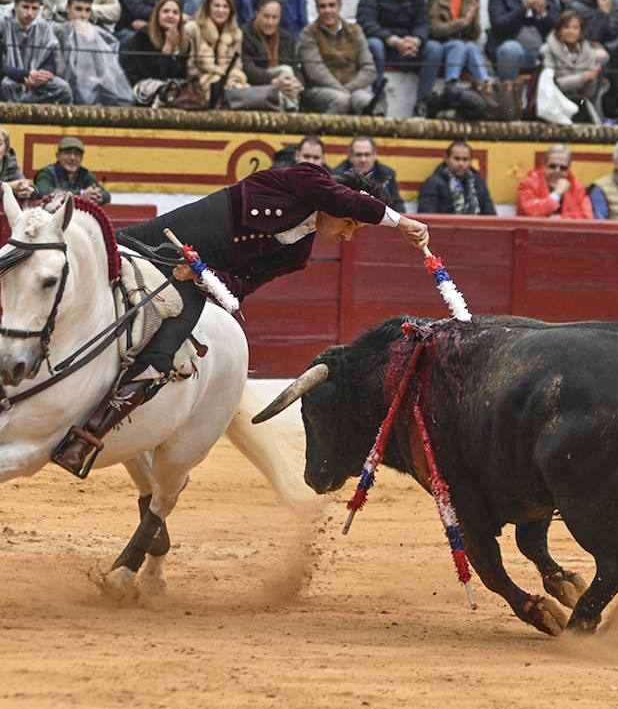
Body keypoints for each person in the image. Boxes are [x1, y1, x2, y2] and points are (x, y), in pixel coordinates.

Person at [51, 162, 430, 473]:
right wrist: (400, 222)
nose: (349, 235)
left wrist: (199, 275)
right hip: (150, 241)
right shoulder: (304, 180)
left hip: (188, 281)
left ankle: (87, 436)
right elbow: (338, 196)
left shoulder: (298, 254)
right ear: (345, 205)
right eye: (351, 223)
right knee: (72, 274)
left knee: (160, 357)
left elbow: (243, 285)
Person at [358, 0, 445, 117]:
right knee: (373, 44)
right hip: (384, 46)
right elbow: (365, 21)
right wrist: (393, 40)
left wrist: (416, 40)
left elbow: (423, 24)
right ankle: (379, 99)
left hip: (408, 49)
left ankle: (423, 103)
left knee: (434, 48)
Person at [0, 0, 73, 103]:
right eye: (25, 7)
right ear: (15, 5)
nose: (29, 13)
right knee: (1, 86)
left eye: (34, 8)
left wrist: (42, 76)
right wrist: (24, 75)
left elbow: (50, 58)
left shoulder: (43, 27)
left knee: (63, 89)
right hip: (3, 78)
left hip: (33, 79)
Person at [298, 0, 378, 115]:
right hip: (319, 90)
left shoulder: (355, 31)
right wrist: (343, 91)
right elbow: (316, 72)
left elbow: (369, 69)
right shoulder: (309, 33)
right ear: (317, 9)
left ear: (339, 6)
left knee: (367, 101)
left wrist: (347, 89)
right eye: (322, 6)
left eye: (331, 5)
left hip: (353, 88)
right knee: (340, 101)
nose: (327, 10)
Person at [487, 0, 560, 82]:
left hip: (541, 54)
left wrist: (543, 13)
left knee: (555, 50)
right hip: (510, 55)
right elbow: (499, 27)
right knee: (511, 49)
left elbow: (557, 29)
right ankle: (507, 95)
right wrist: (523, 8)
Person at [55, 0, 134, 105]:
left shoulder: (96, 33)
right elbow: (62, 69)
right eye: (78, 9)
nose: (83, 15)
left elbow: (107, 66)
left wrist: (91, 40)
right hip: (72, 84)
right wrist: (87, 78)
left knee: (124, 99)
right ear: (68, 9)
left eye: (87, 10)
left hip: (96, 82)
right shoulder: (59, 32)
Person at [428, 0, 492, 86]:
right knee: (459, 46)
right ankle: (451, 86)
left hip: (464, 43)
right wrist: (463, 22)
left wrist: (473, 22)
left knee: (471, 47)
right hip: (441, 44)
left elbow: (475, 35)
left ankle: (486, 85)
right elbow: (435, 29)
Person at [122, 0, 190, 102]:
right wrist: (167, 49)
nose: (170, 16)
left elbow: (180, 74)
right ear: (157, 15)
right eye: (166, 11)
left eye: (175, 13)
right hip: (143, 87)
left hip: (169, 87)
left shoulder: (184, 41)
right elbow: (153, 74)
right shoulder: (143, 36)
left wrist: (176, 50)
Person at [241, 0, 303, 110]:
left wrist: (298, 84)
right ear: (257, 14)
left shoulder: (287, 38)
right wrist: (273, 81)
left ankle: (290, 108)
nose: (270, 22)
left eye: (275, 18)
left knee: (287, 74)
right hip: (257, 85)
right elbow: (247, 68)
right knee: (285, 70)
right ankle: (292, 110)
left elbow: (295, 67)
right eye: (266, 17)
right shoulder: (245, 34)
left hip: (282, 86)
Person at [184, 0, 248, 97]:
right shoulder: (192, 28)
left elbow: (237, 66)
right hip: (200, 83)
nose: (221, 10)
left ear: (231, 10)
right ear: (208, 7)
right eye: (216, 6)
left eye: (225, 6)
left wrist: (233, 80)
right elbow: (191, 68)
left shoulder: (237, 33)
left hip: (228, 81)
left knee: (245, 93)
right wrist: (218, 80)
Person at [542, 10, 607, 108]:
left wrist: (591, 79)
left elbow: (589, 93)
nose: (571, 31)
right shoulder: (547, 50)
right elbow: (551, 84)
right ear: (559, 30)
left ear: (581, 31)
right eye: (566, 27)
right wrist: (581, 79)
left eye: (575, 28)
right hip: (555, 101)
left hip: (580, 102)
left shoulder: (588, 52)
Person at [416, 139, 497, 215]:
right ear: (447, 159)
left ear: (471, 161)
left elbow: (490, 215)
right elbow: (427, 216)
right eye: (456, 159)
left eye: (465, 159)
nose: (461, 164)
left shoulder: (479, 183)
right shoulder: (432, 183)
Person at [517, 143, 593, 218]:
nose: (557, 171)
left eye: (563, 168)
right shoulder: (528, 184)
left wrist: (560, 218)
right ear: (544, 165)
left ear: (569, 168)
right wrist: (557, 193)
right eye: (552, 166)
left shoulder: (578, 188)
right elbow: (531, 212)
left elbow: (587, 216)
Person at [333, 136, 405, 211]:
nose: (363, 159)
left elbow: (397, 205)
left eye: (367, 154)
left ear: (374, 155)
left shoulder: (388, 175)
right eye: (358, 155)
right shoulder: (338, 176)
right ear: (350, 157)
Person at [34, 135, 111, 202]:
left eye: (77, 154)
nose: (72, 158)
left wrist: (95, 196)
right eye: (68, 153)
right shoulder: (47, 173)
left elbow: (106, 195)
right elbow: (43, 192)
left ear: (82, 158)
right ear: (57, 156)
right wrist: (81, 194)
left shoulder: (84, 174)